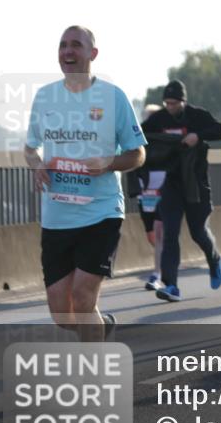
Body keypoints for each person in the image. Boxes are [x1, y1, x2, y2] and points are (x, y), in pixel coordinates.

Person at [24, 25, 146, 341]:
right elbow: (30, 147)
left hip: (101, 213)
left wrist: (108, 162)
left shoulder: (113, 97)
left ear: (92, 53)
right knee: (63, 315)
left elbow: (138, 155)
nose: (68, 51)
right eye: (63, 45)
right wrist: (37, 165)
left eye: (76, 45)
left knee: (82, 298)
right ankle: (100, 325)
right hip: (56, 216)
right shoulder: (45, 96)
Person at [142, 80, 221, 302]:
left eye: (174, 103)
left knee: (198, 231)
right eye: (167, 103)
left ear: (183, 100)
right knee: (170, 233)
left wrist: (198, 135)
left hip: (196, 183)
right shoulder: (158, 119)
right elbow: (139, 136)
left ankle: (214, 258)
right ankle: (171, 286)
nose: (170, 107)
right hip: (171, 183)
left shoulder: (197, 116)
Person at [128, 104, 165, 290]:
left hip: (164, 193)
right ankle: (162, 260)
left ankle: (157, 273)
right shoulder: (139, 140)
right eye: (147, 118)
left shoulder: (166, 139)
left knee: (159, 232)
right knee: (152, 235)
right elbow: (132, 163)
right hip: (146, 196)